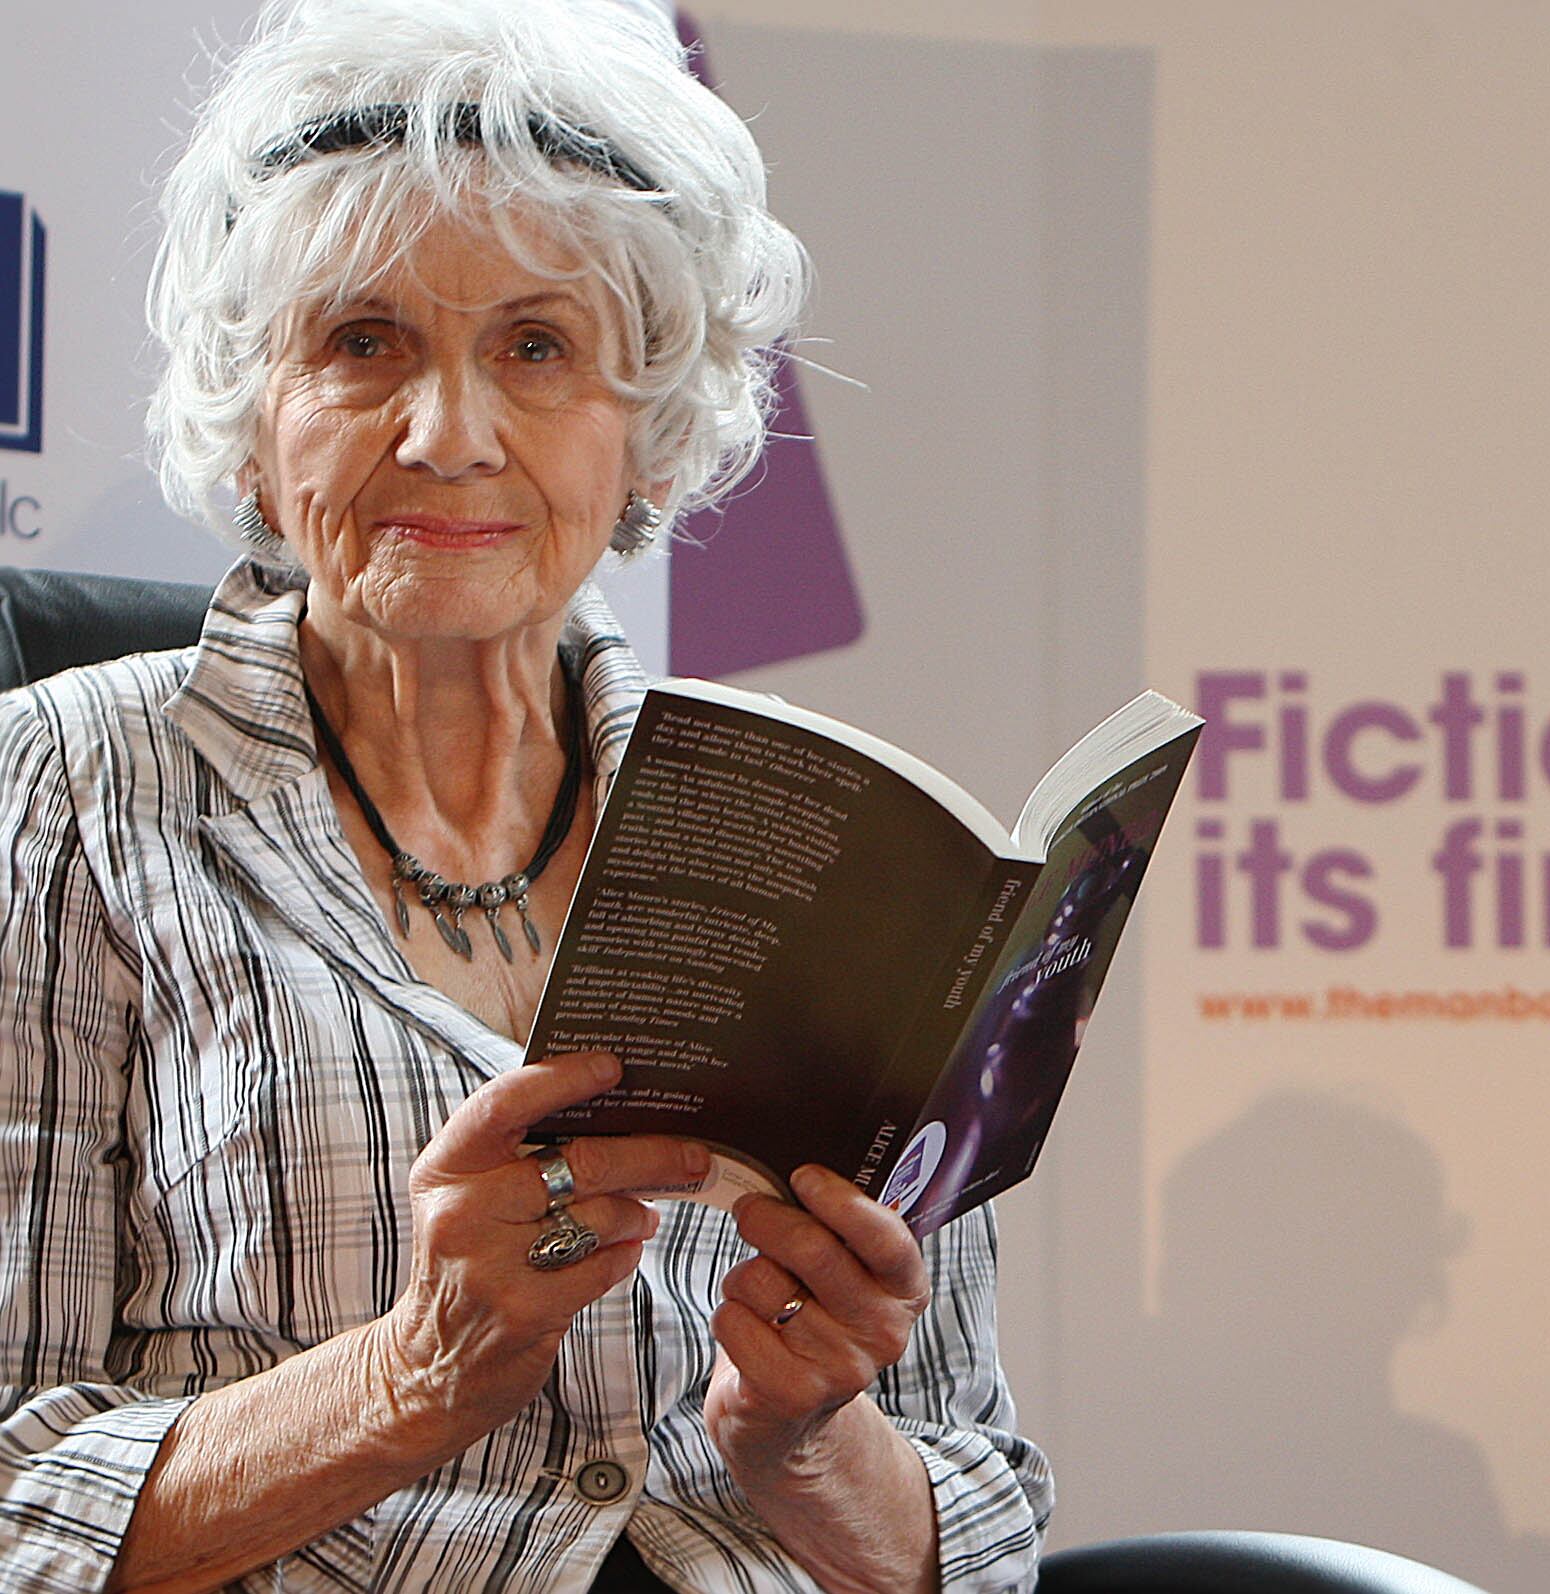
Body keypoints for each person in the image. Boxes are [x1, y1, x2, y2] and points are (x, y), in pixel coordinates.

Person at [0, 1, 1051, 1588]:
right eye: (363, 343)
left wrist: (805, 1442)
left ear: (650, 437)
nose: (448, 433)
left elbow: (980, 1520)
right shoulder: (60, 797)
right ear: (257, 425)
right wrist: (410, 1377)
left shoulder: (807, 830)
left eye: (536, 348)